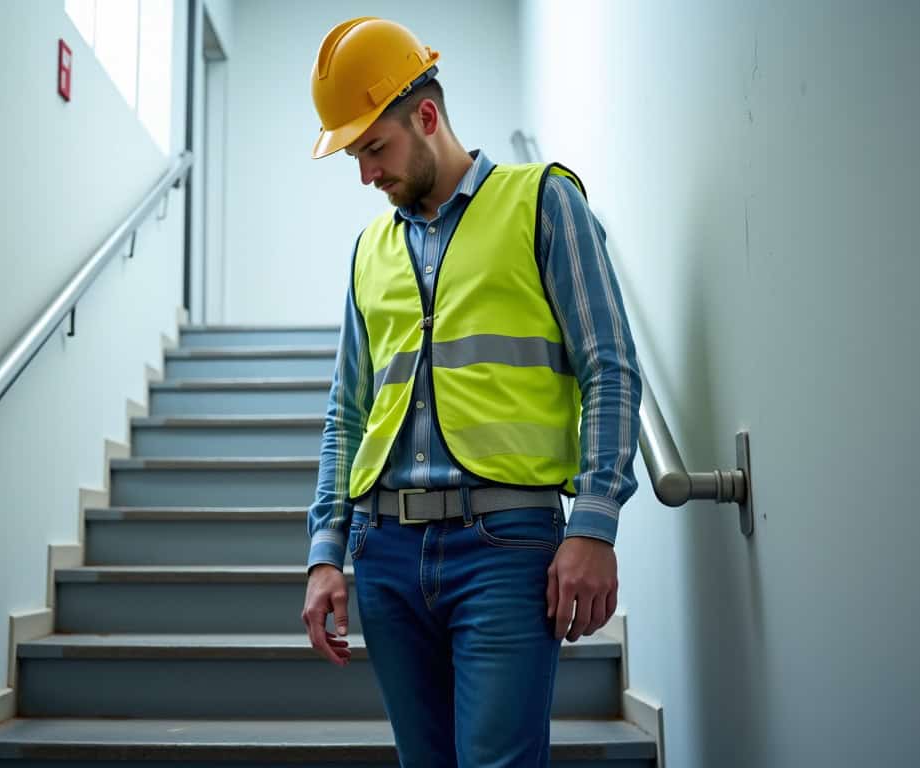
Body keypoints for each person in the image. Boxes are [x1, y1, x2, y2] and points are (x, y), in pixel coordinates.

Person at [300, 16, 643, 768]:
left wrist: (593, 524)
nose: (366, 176)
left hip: (504, 546)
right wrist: (326, 553)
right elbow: (346, 414)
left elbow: (610, 367)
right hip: (384, 551)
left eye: (375, 149)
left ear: (426, 117)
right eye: (356, 157)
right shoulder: (370, 251)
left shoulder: (543, 201)